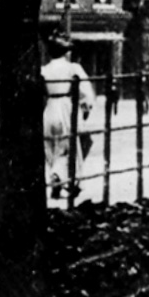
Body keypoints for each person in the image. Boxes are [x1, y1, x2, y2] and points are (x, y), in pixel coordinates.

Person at [40, 29, 97, 200]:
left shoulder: (44, 70)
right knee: (72, 144)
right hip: (66, 107)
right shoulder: (73, 68)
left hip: (50, 108)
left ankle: (59, 176)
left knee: (52, 146)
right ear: (65, 52)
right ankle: (61, 177)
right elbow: (86, 91)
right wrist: (86, 107)